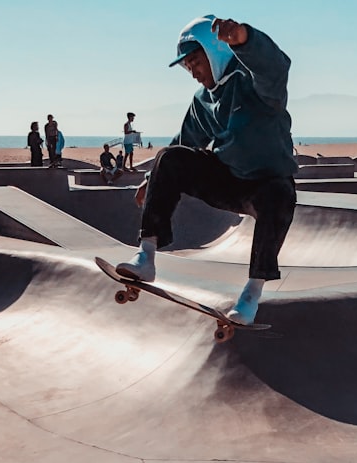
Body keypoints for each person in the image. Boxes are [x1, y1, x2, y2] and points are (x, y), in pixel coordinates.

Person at [115, 15, 298, 326]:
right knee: (170, 157)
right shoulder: (203, 101)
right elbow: (185, 141)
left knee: (280, 195)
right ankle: (146, 256)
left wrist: (244, 38)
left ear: (215, 51)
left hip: (267, 184)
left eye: (195, 63)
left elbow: (276, 67)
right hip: (228, 182)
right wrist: (152, 179)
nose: (194, 73)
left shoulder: (255, 82)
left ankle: (252, 294)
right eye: (187, 68)